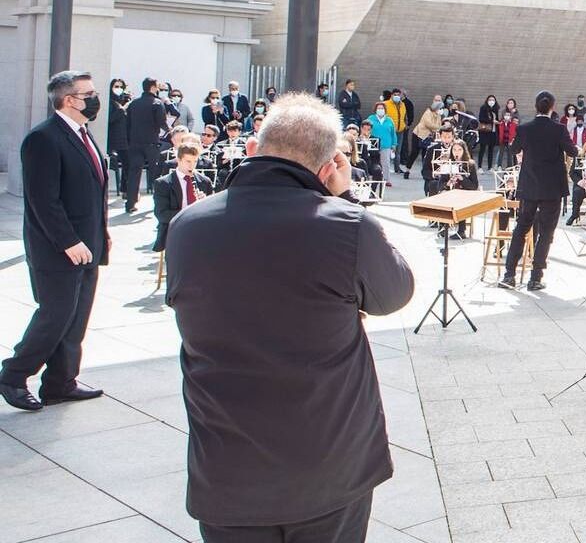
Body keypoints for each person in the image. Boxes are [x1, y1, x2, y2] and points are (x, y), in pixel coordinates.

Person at [165, 94, 414, 542]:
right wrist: (348, 199)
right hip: (326, 467)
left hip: (226, 466)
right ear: (327, 167)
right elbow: (392, 294)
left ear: (251, 150)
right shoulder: (345, 226)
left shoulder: (187, 225)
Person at [1, 72, 110, 412]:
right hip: (58, 249)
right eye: (88, 93)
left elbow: (92, 190)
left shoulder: (83, 134)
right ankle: (13, 376)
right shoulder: (43, 139)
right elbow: (43, 200)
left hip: (88, 245)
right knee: (55, 316)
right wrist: (69, 241)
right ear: (69, 100)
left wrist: (100, 233)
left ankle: (60, 383)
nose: (95, 98)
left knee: (76, 319)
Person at [502, 92, 582, 290]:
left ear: (536, 106)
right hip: (552, 188)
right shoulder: (559, 129)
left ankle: (509, 275)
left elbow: (513, 150)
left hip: (529, 185)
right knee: (546, 233)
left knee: (521, 229)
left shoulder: (525, 128)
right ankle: (535, 278)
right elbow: (572, 151)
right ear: (552, 107)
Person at [152, 142, 213, 253]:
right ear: (178, 160)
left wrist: (204, 203)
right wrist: (188, 216)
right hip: (175, 230)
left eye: (195, 161)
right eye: (188, 161)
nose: (192, 166)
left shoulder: (205, 181)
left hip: (200, 230)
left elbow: (212, 214)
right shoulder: (163, 183)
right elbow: (161, 214)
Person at [123, 77, 169, 212]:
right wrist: (170, 132)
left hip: (135, 143)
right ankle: (158, 204)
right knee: (155, 174)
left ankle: (130, 204)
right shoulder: (157, 103)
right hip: (151, 143)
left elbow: (127, 124)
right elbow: (161, 122)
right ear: (153, 87)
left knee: (134, 173)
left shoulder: (134, 103)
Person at [366, 102, 398, 187]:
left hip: (386, 144)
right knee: (373, 162)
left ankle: (386, 179)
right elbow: (366, 130)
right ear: (375, 110)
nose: (380, 110)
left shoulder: (389, 120)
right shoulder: (371, 119)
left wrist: (394, 144)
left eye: (382, 108)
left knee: (386, 163)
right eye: (379, 108)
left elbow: (393, 133)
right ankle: (373, 178)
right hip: (373, 144)